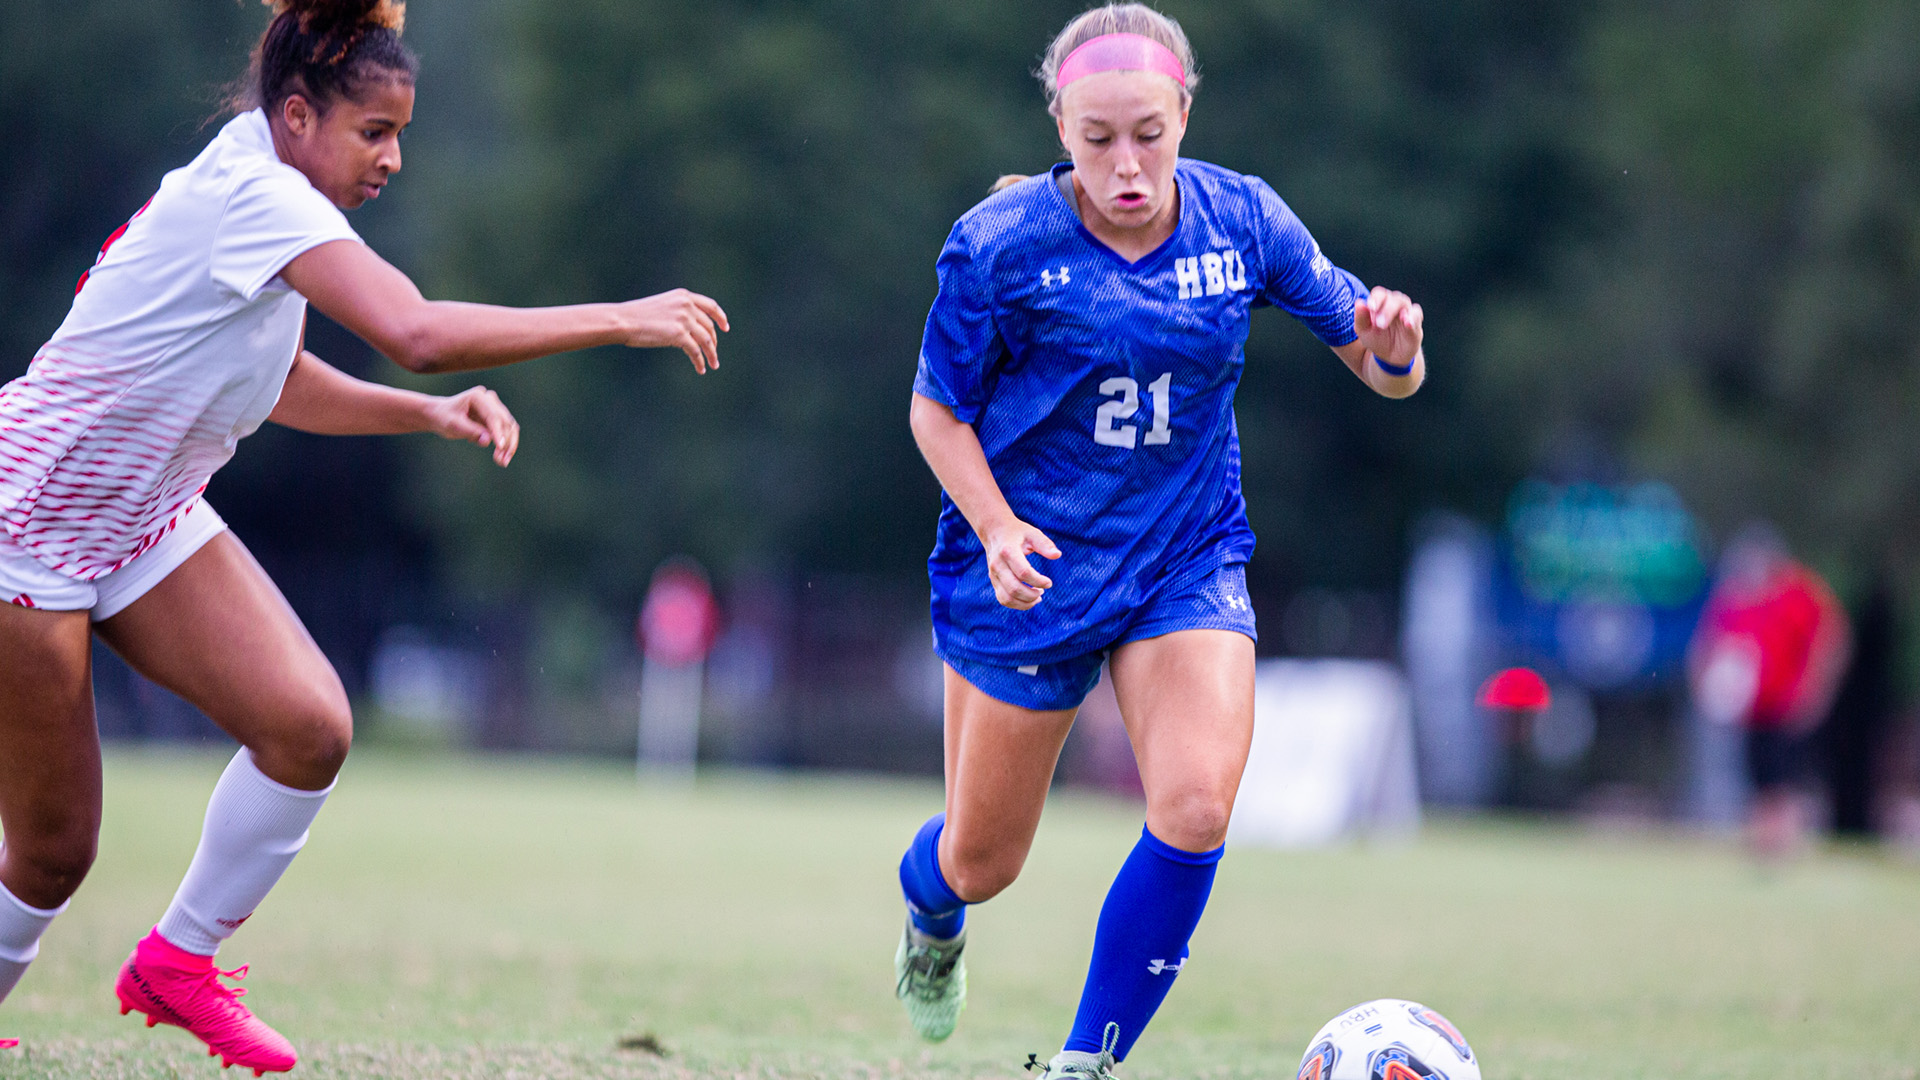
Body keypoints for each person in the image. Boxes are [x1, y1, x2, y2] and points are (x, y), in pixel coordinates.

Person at [0, 0, 727, 1071]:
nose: (393, 159)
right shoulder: (253, 195)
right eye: (374, 133)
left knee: (308, 726)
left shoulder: (271, 192)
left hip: (142, 516)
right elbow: (417, 331)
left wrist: (426, 415)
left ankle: (177, 963)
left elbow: (273, 376)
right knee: (56, 850)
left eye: (401, 134)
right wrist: (622, 317)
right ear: (296, 115)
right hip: (31, 520)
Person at [891, 5, 1425, 1076]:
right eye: (1096, 141)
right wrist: (996, 529)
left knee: (1194, 804)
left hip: (1185, 558)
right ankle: (931, 913)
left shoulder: (1245, 221)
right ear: (1059, 128)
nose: (1125, 164)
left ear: (1185, 110)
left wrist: (1398, 352)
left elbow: (1375, 363)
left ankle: (1085, 1062)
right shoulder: (998, 248)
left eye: (1148, 133)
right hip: (1034, 572)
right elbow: (934, 413)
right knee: (983, 860)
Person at [1688, 526, 1851, 860]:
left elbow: (1831, 638)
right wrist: (1708, 689)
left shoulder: (1796, 591)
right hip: (1751, 708)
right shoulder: (1734, 596)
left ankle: (1784, 841)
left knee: (1784, 776)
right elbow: (1709, 646)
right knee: (1757, 774)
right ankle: (1764, 841)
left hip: (1787, 705)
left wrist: (1815, 691)